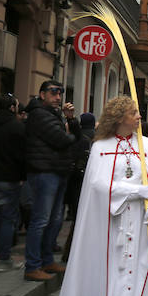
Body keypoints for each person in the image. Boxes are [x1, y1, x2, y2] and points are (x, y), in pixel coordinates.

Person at [46, 96, 148, 296]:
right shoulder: (101, 146)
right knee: (115, 268)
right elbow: (97, 184)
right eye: (134, 113)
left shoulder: (147, 145)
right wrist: (134, 191)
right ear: (120, 117)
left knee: (138, 267)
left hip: (141, 219)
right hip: (112, 219)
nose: (139, 117)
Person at [24, 80, 81, 281]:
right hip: (44, 171)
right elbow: (62, 140)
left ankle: (47, 260)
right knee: (41, 220)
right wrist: (68, 135)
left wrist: (71, 121)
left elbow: (75, 138)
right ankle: (32, 265)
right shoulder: (39, 114)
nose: (58, 97)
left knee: (54, 219)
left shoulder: (53, 115)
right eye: (53, 92)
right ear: (42, 95)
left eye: (60, 93)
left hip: (57, 171)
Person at [0, 94, 25, 272]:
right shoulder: (17, 127)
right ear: (12, 108)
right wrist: (22, 177)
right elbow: (21, 156)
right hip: (8, 178)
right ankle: (4, 260)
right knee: (7, 219)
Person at [61, 112, 95, 262]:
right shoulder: (96, 138)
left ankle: (70, 253)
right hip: (85, 182)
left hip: (75, 181)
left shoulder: (78, 137)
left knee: (77, 219)